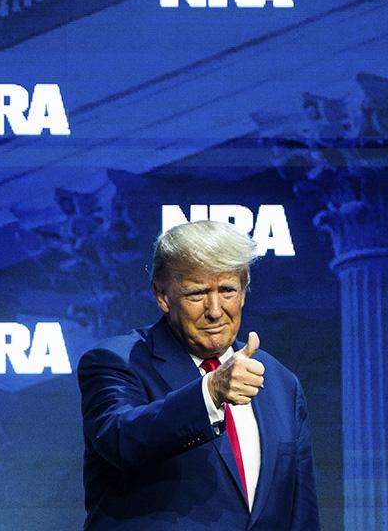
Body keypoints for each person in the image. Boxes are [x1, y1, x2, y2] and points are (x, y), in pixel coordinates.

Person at [77, 220, 320, 530]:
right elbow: (122, 439)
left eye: (227, 290)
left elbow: (301, 512)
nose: (215, 310)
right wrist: (210, 392)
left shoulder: (280, 381)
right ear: (162, 296)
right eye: (197, 294)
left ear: (244, 292)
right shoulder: (115, 362)